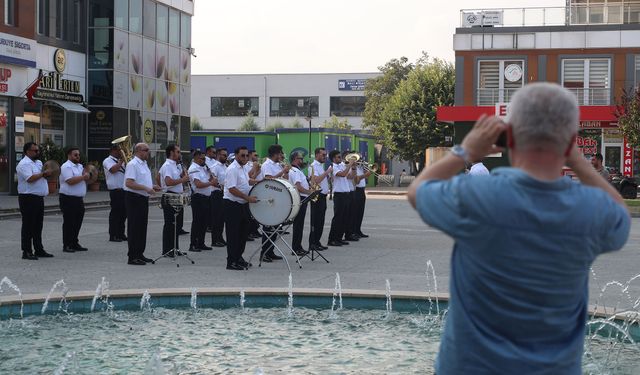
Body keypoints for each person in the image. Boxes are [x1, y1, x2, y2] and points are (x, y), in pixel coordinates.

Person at [408, 82, 630, 374]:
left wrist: (465, 151)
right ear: (570, 141)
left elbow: (417, 191)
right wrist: (577, 160)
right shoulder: (589, 209)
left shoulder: (477, 196)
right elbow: (620, 213)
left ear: (509, 136)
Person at [124, 143, 160, 265]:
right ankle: (133, 256)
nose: (148, 152)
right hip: (134, 198)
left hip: (142, 198)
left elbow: (141, 181)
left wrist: (152, 186)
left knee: (142, 227)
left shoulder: (144, 164)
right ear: (138, 151)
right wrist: (146, 188)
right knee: (134, 227)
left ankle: (140, 253)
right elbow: (129, 183)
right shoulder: (133, 164)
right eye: (146, 150)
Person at [16, 142, 53, 260]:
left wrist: (47, 174)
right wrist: (43, 174)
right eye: (35, 151)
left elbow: (41, 176)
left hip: (38, 198)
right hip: (28, 198)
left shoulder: (38, 162)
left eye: (38, 150)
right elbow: (30, 179)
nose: (38, 152)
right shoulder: (23, 164)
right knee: (28, 225)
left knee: (38, 225)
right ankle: (26, 251)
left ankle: (39, 249)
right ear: (27, 151)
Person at [223, 146, 257, 270]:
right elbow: (232, 189)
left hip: (242, 204)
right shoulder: (232, 169)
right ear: (236, 155)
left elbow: (247, 181)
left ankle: (238, 257)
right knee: (233, 235)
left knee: (243, 233)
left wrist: (261, 181)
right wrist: (247, 198)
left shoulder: (243, 167)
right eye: (242, 155)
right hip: (232, 204)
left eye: (247, 155)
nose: (245, 158)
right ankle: (231, 261)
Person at [159, 144, 194, 255]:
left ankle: (175, 248)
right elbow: (168, 182)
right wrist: (182, 179)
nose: (180, 154)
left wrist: (181, 176)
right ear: (171, 153)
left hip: (177, 196)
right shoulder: (168, 165)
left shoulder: (175, 165)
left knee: (177, 225)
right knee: (170, 224)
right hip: (170, 196)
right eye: (178, 152)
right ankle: (167, 250)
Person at [259, 144, 290, 262]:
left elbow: (284, 179)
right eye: (280, 153)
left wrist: (285, 172)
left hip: (278, 197)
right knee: (268, 227)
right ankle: (264, 253)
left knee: (275, 226)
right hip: (269, 197)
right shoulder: (267, 165)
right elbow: (268, 179)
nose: (282, 156)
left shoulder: (277, 164)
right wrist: (282, 171)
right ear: (275, 154)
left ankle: (270, 251)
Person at [59, 147, 90, 253]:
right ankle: (67, 244)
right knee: (69, 222)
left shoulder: (80, 166)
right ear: (69, 155)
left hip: (78, 199)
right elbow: (70, 181)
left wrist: (89, 176)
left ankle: (74, 242)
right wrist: (83, 177)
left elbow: (85, 178)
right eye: (75, 155)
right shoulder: (66, 166)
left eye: (78, 155)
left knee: (77, 222)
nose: (78, 157)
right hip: (68, 198)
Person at [188, 150, 214, 253]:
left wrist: (211, 176)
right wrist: (211, 182)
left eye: (205, 159)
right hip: (198, 197)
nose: (204, 161)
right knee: (197, 222)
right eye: (202, 159)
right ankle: (193, 244)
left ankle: (201, 243)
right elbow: (198, 184)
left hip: (206, 197)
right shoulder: (193, 169)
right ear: (196, 158)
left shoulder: (203, 168)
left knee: (204, 222)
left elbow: (208, 180)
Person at [327, 150, 355, 247]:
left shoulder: (342, 165)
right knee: (337, 218)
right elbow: (342, 174)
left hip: (346, 193)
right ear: (334, 158)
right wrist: (349, 165)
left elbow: (350, 176)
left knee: (344, 218)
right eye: (339, 157)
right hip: (339, 195)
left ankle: (339, 238)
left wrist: (354, 168)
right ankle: (332, 239)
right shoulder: (333, 167)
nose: (341, 158)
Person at [288, 152, 312, 256]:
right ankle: (296, 248)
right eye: (300, 158)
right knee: (298, 225)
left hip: (300, 198)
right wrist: (309, 192)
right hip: (300, 198)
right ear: (294, 159)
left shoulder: (296, 170)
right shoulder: (295, 171)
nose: (302, 161)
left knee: (299, 224)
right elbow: (297, 186)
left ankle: (298, 246)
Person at [308, 147, 332, 251]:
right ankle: (312, 243)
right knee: (316, 221)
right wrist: (327, 172)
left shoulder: (320, 166)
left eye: (325, 155)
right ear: (317, 155)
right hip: (317, 197)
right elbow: (316, 180)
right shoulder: (313, 166)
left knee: (321, 221)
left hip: (323, 196)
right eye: (323, 155)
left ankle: (317, 241)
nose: (325, 157)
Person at [103, 144, 127, 242]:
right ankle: (113, 235)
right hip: (115, 191)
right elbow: (113, 170)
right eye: (119, 150)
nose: (121, 152)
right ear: (113, 150)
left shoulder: (121, 161)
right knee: (115, 214)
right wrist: (121, 161)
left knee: (123, 214)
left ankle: (121, 233)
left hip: (124, 190)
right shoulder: (107, 160)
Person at [210, 147, 227, 247]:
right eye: (224, 155)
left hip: (223, 193)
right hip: (216, 193)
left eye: (226, 155)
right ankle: (215, 240)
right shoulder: (215, 167)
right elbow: (212, 181)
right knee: (216, 218)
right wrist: (220, 186)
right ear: (218, 155)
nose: (225, 157)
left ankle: (220, 238)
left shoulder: (225, 167)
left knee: (221, 218)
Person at [342, 150, 359, 242]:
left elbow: (353, 176)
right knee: (346, 215)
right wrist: (350, 166)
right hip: (345, 192)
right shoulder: (342, 166)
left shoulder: (349, 166)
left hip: (352, 190)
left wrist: (354, 167)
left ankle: (350, 233)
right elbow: (347, 176)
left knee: (352, 214)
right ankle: (346, 234)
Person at [352, 159, 372, 238]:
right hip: (356, 191)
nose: (360, 161)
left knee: (360, 212)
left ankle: (358, 230)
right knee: (355, 212)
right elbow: (356, 180)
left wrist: (366, 169)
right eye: (358, 159)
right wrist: (366, 174)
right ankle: (354, 231)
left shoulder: (360, 168)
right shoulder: (353, 168)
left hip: (362, 190)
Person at [246, 149, 262, 239]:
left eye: (257, 155)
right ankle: (250, 231)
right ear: (250, 155)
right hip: (249, 190)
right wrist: (255, 170)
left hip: (256, 189)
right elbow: (248, 178)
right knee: (250, 214)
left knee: (255, 213)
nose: (257, 157)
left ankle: (255, 230)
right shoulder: (248, 165)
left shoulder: (256, 165)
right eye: (255, 155)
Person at [205, 145, 219, 233]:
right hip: (209, 186)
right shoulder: (204, 160)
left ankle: (211, 225)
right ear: (208, 152)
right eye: (213, 152)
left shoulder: (214, 161)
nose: (215, 154)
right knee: (208, 209)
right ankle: (208, 225)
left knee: (213, 209)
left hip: (214, 188)